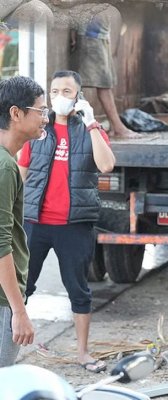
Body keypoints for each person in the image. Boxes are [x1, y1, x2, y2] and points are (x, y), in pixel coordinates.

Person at [17, 70, 115, 373]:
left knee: (78, 288)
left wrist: (91, 123)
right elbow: (21, 173)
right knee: (21, 288)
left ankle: (83, 353)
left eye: (67, 91)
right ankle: (9, 349)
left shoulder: (89, 129)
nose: (60, 96)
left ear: (79, 96)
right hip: (35, 223)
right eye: (55, 91)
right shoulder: (38, 130)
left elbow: (107, 165)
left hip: (75, 224)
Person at [0, 76, 46, 367]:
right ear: (16, 114)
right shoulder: (5, 167)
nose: (45, 118)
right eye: (40, 111)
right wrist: (19, 311)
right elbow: (1, 243)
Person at [70, 6, 141, 139]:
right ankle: (118, 127)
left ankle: (115, 127)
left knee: (106, 81)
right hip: (90, 34)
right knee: (103, 84)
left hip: (100, 32)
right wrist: (74, 30)